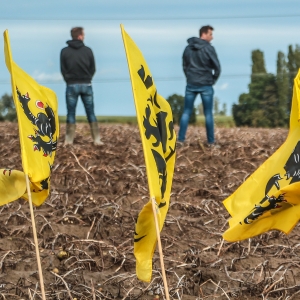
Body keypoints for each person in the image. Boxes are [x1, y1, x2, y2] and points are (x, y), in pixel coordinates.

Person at [178, 25, 221, 147]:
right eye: (210, 34)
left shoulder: (188, 48)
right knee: (208, 113)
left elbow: (184, 65)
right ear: (204, 34)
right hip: (206, 84)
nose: (212, 37)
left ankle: (180, 140)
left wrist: (189, 77)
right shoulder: (209, 49)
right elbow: (217, 67)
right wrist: (212, 80)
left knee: (186, 112)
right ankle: (211, 142)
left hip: (191, 84)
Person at [60, 27, 103, 145]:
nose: (84, 36)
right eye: (83, 35)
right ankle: (96, 139)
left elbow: (63, 69)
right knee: (91, 112)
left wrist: (68, 80)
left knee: (71, 113)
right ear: (79, 36)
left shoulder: (64, 51)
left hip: (71, 85)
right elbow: (93, 68)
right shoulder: (88, 51)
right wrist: (88, 78)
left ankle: (68, 141)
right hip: (86, 84)